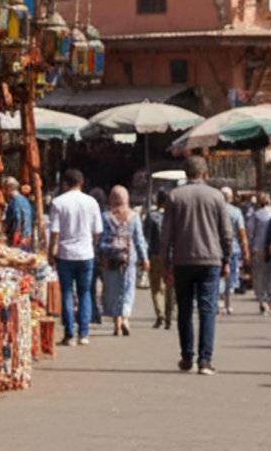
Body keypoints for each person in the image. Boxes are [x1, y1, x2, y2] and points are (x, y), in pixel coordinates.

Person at [162, 154, 232, 375]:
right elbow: (226, 233)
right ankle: (205, 360)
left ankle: (186, 356)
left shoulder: (174, 197)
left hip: (182, 260)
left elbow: (166, 235)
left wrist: (166, 264)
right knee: (207, 310)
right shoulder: (217, 196)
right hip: (210, 260)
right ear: (205, 173)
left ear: (185, 173)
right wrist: (226, 259)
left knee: (184, 309)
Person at [47, 168, 103, 346]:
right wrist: (91, 244)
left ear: (65, 183)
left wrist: (51, 252)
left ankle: (69, 333)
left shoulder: (58, 202)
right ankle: (83, 333)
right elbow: (97, 231)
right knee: (85, 292)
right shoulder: (91, 202)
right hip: (86, 253)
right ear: (81, 183)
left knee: (67, 292)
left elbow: (54, 231)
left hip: (65, 253)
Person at [99, 185, 149, 335]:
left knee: (112, 289)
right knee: (127, 289)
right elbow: (139, 239)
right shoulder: (133, 216)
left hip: (110, 258)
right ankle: (125, 317)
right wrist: (144, 258)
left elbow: (100, 238)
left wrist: (99, 256)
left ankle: (117, 321)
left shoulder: (105, 216)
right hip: (128, 258)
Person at [145, 192, 172, 328]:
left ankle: (160, 314)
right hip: (171, 255)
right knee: (169, 286)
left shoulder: (151, 216)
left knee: (156, 288)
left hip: (155, 255)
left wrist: (144, 257)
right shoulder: (173, 216)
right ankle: (169, 315)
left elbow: (147, 238)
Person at [247, 192, 271, 314]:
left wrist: (249, 247)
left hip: (258, 248)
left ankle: (262, 300)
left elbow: (250, 232)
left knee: (259, 276)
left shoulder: (256, 215)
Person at [219, 186, 247, 314]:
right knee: (231, 274)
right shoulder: (236, 212)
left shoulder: (215, 210)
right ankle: (228, 303)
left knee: (218, 275)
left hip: (216, 246)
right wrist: (245, 248)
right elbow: (241, 232)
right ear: (230, 198)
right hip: (233, 247)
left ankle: (218, 301)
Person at [87, 186, 109, 325]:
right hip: (106, 254)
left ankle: (94, 313)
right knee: (106, 284)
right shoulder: (107, 215)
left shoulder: (91, 215)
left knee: (91, 287)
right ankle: (106, 309)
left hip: (92, 253)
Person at [1, 175, 34, 250]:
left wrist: (14, 242)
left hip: (18, 241)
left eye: (5, 189)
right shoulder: (25, 201)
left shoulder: (14, 202)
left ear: (8, 188)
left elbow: (17, 220)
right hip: (27, 239)